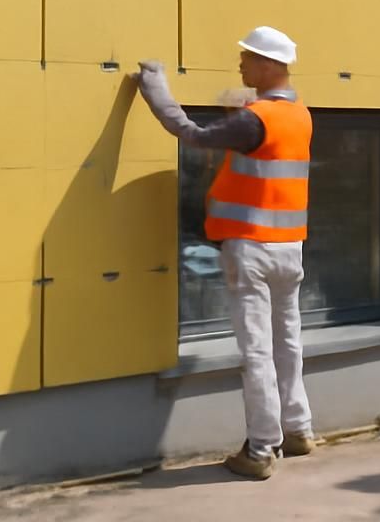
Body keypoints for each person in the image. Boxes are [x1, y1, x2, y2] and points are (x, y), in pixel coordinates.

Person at [131, 26, 315, 481]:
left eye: (248, 58)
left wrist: (156, 89)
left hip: (250, 246)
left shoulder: (255, 119)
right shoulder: (299, 114)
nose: (241, 63)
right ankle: (298, 430)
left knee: (256, 350)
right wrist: (243, 106)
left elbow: (190, 133)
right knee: (286, 342)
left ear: (270, 65)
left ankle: (260, 449)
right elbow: (260, 144)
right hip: (289, 247)